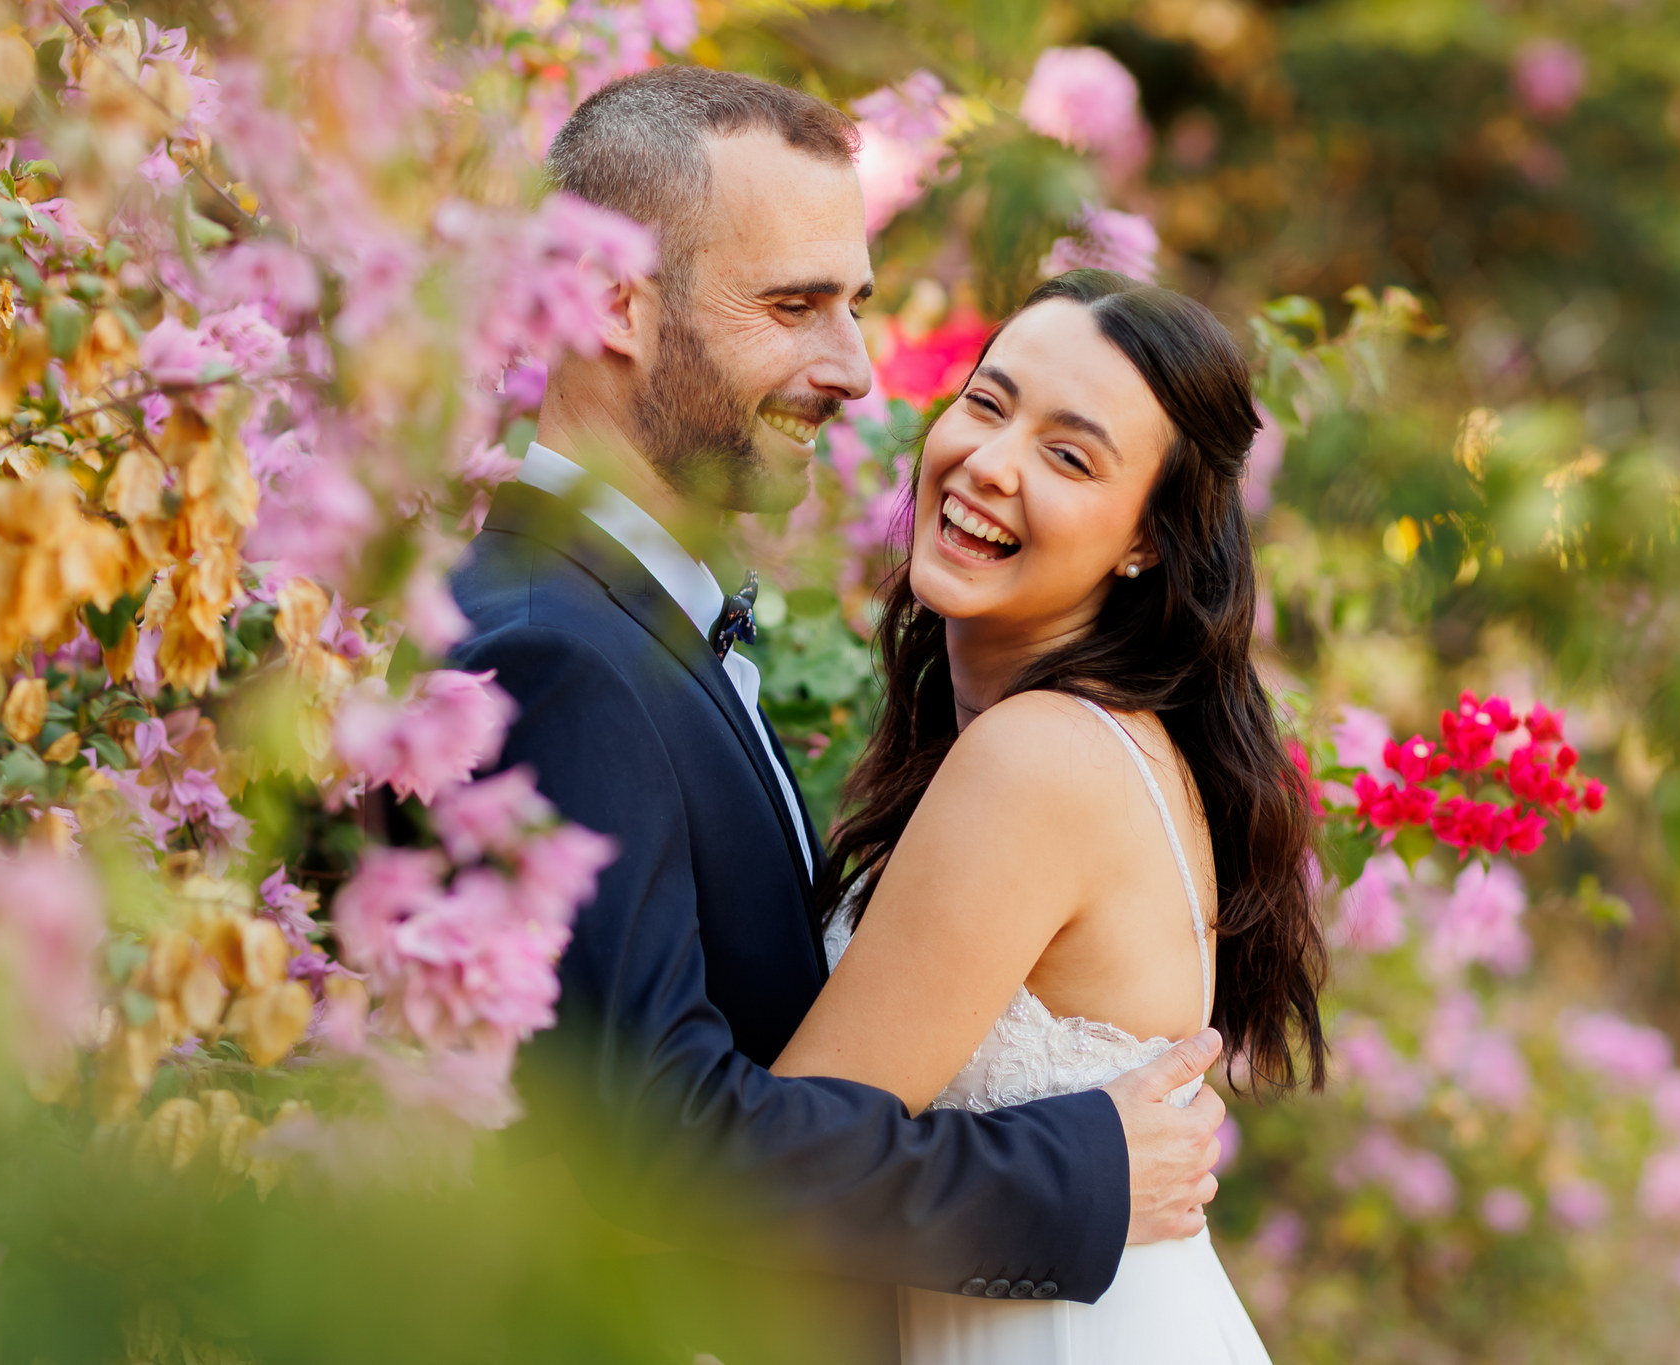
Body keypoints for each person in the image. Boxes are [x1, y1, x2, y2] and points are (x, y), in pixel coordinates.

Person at [449, 67, 1229, 1364]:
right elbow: (659, 1149)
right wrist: (1080, 1167)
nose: (857, 372)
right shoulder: (559, 653)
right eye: (794, 306)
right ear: (605, 305)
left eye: (855, 307)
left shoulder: (636, 628)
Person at [772, 269, 1329, 1363]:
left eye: (1067, 456)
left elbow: (791, 1167)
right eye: (986, 403)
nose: (988, 463)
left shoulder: (1039, 758)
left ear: (1146, 543)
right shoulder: (1090, 738)